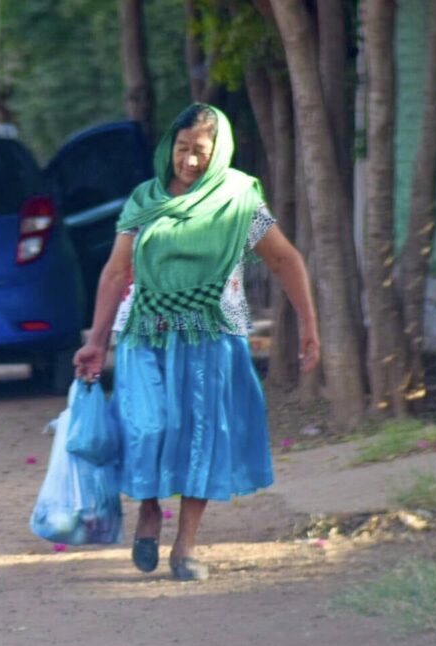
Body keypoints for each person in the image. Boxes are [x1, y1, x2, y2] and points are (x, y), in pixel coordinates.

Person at [73, 104, 320, 581]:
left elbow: (285, 259)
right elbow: (115, 270)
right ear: (170, 148)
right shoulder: (145, 200)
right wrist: (98, 341)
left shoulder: (240, 198)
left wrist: (309, 325)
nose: (189, 162)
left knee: (202, 439)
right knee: (146, 426)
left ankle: (185, 546)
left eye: (200, 152)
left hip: (212, 335)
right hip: (146, 332)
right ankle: (148, 509)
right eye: (182, 150)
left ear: (218, 151)